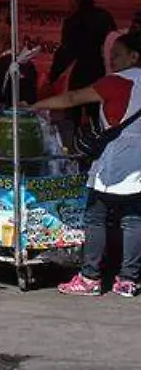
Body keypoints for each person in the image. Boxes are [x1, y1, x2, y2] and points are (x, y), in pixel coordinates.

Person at [34, 32, 141, 297]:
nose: (112, 59)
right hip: (138, 162)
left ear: (134, 56)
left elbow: (72, 99)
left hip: (114, 160)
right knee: (133, 220)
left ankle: (90, 276)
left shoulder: (117, 82)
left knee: (95, 217)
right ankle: (129, 279)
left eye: (117, 54)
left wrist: (34, 106)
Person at [50, 0, 116, 127]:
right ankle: (97, 137)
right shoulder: (105, 16)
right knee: (96, 109)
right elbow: (114, 41)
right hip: (101, 69)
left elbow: (67, 51)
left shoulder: (73, 21)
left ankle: (75, 141)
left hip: (82, 69)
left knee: (75, 109)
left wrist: (53, 75)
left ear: (76, 1)